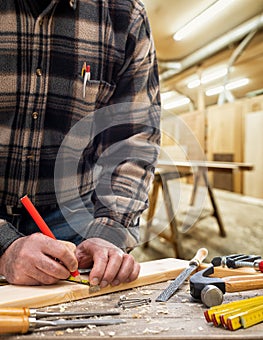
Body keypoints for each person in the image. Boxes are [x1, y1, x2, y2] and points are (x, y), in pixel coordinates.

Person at [0, 0, 160, 287]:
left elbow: (133, 142)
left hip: (71, 219)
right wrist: (3, 243)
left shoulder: (122, 14)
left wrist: (109, 230)